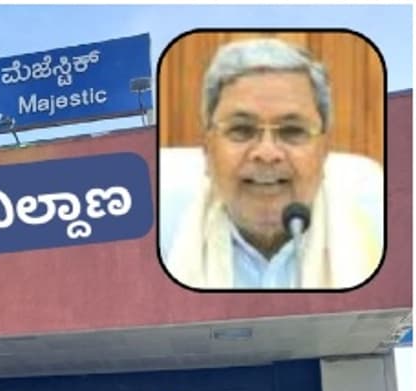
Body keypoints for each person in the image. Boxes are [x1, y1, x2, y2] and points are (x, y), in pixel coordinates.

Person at [163, 37, 382, 290]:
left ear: (324, 149)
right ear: (207, 147)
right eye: (242, 129)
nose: (267, 153)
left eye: (292, 131)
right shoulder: (157, 234)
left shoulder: (384, 229)